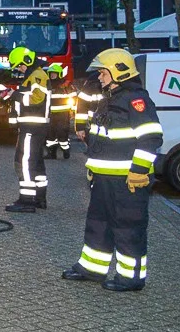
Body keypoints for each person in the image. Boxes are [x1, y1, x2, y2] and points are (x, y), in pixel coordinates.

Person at [63, 49, 163, 291]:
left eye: (103, 72)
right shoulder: (111, 97)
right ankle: (93, 269)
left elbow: (151, 138)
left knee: (128, 228)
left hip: (127, 181)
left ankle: (131, 278)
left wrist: (138, 171)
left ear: (119, 71)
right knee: (98, 223)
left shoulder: (135, 100)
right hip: (104, 178)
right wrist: (94, 168)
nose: (99, 77)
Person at [2, 46, 51, 213]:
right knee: (36, 162)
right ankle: (39, 197)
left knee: (25, 162)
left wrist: (15, 95)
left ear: (27, 61)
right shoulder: (34, 75)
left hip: (32, 126)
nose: (19, 70)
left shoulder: (37, 76)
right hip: (35, 126)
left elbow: (37, 99)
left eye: (20, 66)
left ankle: (27, 200)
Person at [45, 63, 75, 159]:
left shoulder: (66, 85)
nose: (52, 75)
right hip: (50, 114)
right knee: (50, 134)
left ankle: (65, 150)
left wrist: (73, 111)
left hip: (63, 114)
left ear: (60, 74)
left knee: (62, 133)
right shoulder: (46, 84)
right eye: (51, 74)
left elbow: (74, 98)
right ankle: (51, 153)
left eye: (54, 73)